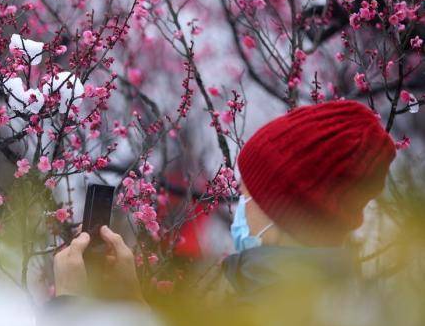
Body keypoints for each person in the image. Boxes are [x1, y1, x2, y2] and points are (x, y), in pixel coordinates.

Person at [53, 100, 397, 302]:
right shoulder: (331, 306)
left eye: (248, 194)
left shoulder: (277, 325)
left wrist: (68, 307)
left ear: (286, 215)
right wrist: (132, 301)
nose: (241, 207)